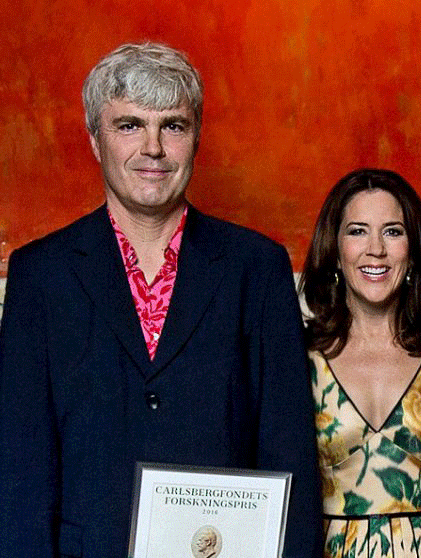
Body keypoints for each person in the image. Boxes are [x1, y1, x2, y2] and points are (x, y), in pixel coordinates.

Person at [0, 43, 321, 558]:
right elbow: (21, 469)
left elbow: (290, 454)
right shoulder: (40, 275)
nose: (153, 148)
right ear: (95, 140)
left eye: (173, 126)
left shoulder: (256, 268)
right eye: (129, 125)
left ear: (196, 138)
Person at [300, 168, 421, 557]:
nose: (376, 248)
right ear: (334, 249)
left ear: (413, 248)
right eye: (357, 231)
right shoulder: (300, 357)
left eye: (392, 231)